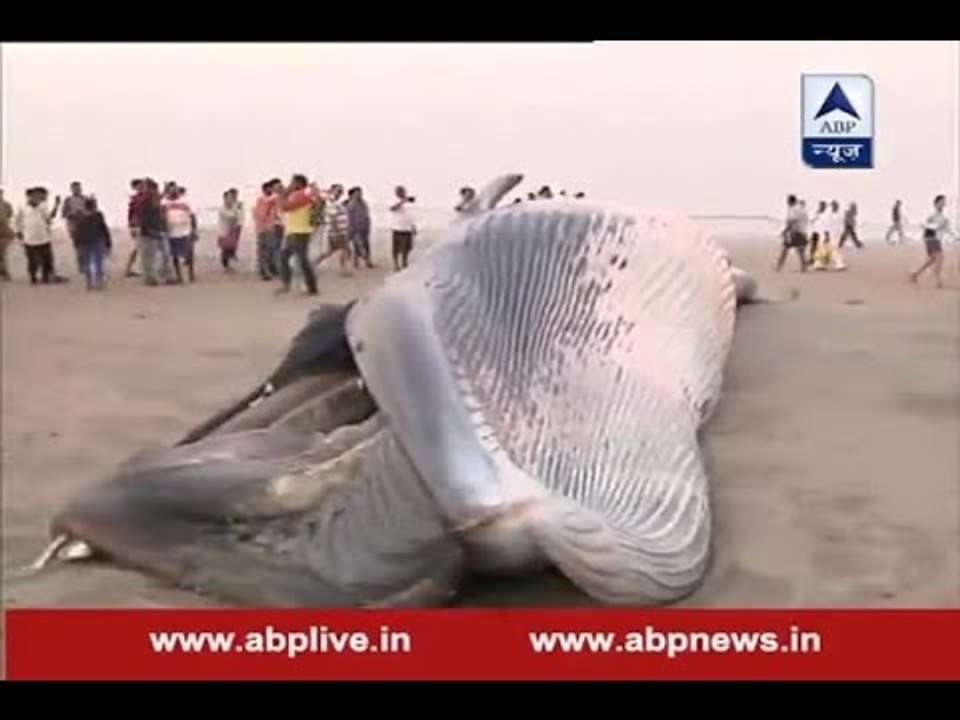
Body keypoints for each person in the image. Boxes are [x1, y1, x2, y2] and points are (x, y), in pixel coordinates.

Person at [276, 174, 319, 295]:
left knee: (301, 260)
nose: (290, 185)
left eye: (292, 182)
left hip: (300, 232)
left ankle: (311, 287)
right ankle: (288, 284)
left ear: (298, 184)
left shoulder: (301, 195)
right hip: (295, 230)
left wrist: (281, 193)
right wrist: (284, 193)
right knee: (286, 257)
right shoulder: (303, 194)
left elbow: (285, 207)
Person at [14, 187, 65, 284]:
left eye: (36, 195)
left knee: (47, 260)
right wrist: (18, 232)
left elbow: (49, 218)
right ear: (28, 197)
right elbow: (17, 221)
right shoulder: (22, 208)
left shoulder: (42, 207)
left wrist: (56, 205)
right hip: (29, 239)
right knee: (32, 261)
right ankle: (33, 277)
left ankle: (46, 277)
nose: (35, 197)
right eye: (33, 196)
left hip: (43, 238)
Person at [910, 195, 953, 288]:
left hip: (936, 238)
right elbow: (925, 226)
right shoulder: (932, 215)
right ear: (936, 203)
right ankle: (939, 281)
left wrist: (953, 236)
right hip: (931, 237)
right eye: (941, 201)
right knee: (940, 258)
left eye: (944, 202)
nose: (943, 203)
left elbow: (946, 229)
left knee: (932, 260)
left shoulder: (943, 217)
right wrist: (935, 227)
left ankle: (915, 274)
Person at [136, 178, 173, 286]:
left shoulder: (154, 199)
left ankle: (164, 276)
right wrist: (148, 230)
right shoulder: (145, 201)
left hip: (158, 230)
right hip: (149, 232)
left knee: (164, 255)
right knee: (150, 257)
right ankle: (151, 278)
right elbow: (142, 218)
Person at [73, 197, 112, 290]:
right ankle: (99, 282)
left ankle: (89, 283)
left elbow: (77, 231)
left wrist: (76, 243)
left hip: (84, 242)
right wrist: (108, 242)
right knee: (98, 262)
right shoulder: (98, 215)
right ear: (94, 206)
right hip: (97, 240)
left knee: (87, 263)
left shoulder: (80, 216)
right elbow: (104, 228)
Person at [162, 185, 196, 283]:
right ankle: (179, 275)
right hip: (171, 232)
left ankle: (191, 272)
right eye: (171, 190)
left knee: (189, 252)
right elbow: (161, 216)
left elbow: (192, 215)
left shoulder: (185, 201)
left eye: (175, 190)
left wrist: (194, 229)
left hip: (185, 230)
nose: (173, 192)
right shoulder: (164, 202)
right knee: (174, 255)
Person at [315, 184, 352, 274]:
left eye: (341, 191)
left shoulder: (335, 202)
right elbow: (332, 218)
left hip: (337, 231)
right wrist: (337, 232)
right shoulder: (332, 203)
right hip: (338, 231)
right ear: (332, 191)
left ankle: (314, 263)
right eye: (338, 191)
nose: (340, 193)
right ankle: (344, 269)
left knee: (330, 251)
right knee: (346, 249)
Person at [253, 179, 282, 281]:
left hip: (269, 227)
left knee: (270, 250)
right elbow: (262, 214)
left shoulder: (271, 200)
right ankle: (264, 271)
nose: (271, 191)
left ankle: (270, 269)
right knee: (264, 251)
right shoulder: (262, 200)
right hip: (263, 228)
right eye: (269, 189)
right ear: (265, 189)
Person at [774, 194, 808, 272]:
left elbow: (792, 221)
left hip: (795, 232)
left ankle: (779, 266)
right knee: (800, 251)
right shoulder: (801, 209)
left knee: (785, 249)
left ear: (790, 201)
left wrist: (785, 231)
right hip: (802, 231)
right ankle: (804, 267)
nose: (787, 204)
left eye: (788, 202)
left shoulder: (794, 209)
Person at [61, 181, 89, 274]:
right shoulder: (68, 200)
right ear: (71, 189)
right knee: (79, 248)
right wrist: (73, 214)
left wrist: (84, 213)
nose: (77, 190)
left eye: (78, 188)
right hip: (74, 227)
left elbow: (92, 211)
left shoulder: (86, 199)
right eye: (74, 188)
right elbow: (64, 214)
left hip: (86, 226)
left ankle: (87, 264)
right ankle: (82, 266)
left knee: (87, 246)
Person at [389, 185, 416, 271]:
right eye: (400, 191)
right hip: (397, 228)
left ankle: (404, 262)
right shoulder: (394, 200)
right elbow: (392, 208)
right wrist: (402, 202)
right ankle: (395, 264)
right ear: (396, 193)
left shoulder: (408, 203)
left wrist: (413, 226)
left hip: (407, 229)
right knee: (396, 249)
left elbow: (410, 216)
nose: (402, 193)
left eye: (403, 191)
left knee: (407, 248)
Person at [346, 186, 373, 269]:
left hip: (364, 227)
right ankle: (365, 260)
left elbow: (367, 214)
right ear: (353, 194)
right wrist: (351, 229)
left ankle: (359, 261)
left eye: (360, 192)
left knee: (366, 245)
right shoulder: (351, 204)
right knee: (359, 245)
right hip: (355, 229)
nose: (360, 194)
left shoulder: (364, 203)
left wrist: (369, 225)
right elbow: (349, 218)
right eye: (357, 193)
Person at [217, 189, 243, 273]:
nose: (230, 200)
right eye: (228, 198)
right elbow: (230, 217)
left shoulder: (234, 207)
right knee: (225, 249)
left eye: (231, 198)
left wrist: (236, 210)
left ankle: (229, 264)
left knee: (231, 247)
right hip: (224, 231)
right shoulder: (222, 208)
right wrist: (236, 211)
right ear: (225, 199)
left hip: (232, 230)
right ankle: (226, 267)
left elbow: (239, 216)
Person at [124, 179, 145, 278]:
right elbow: (131, 214)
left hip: (139, 225)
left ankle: (130, 268)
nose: (142, 187)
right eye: (140, 185)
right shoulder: (136, 199)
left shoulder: (137, 198)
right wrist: (131, 226)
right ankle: (129, 268)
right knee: (136, 248)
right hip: (137, 225)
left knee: (137, 248)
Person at [0, 188, 14, 281]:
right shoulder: (6, 205)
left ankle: (4, 273)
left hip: (4, 233)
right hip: (5, 232)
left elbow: (9, 215)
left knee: (2, 254)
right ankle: (4, 272)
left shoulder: (7, 205)